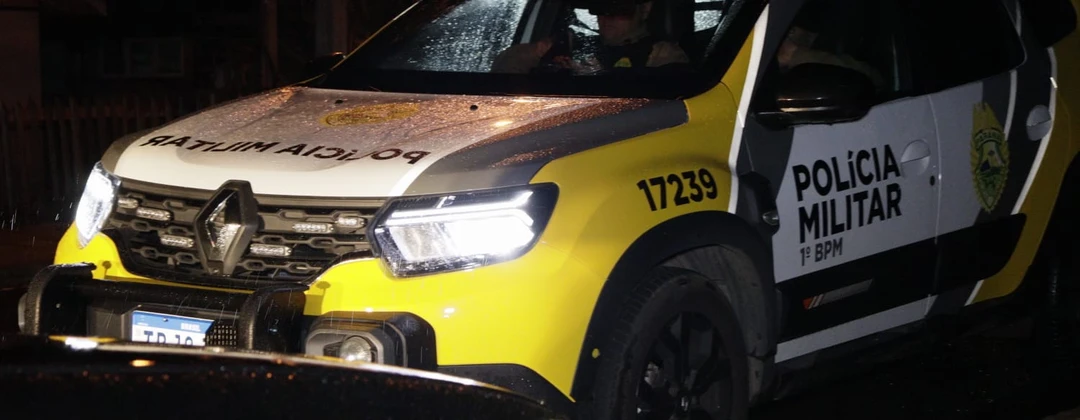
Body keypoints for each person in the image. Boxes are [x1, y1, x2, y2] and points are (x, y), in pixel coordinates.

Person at [491, 0, 689, 74]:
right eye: (599, 8)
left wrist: (600, 76)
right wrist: (537, 51)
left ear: (644, 9)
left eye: (620, 8)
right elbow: (503, 73)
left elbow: (665, 96)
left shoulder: (661, 52)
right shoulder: (576, 45)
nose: (606, 17)